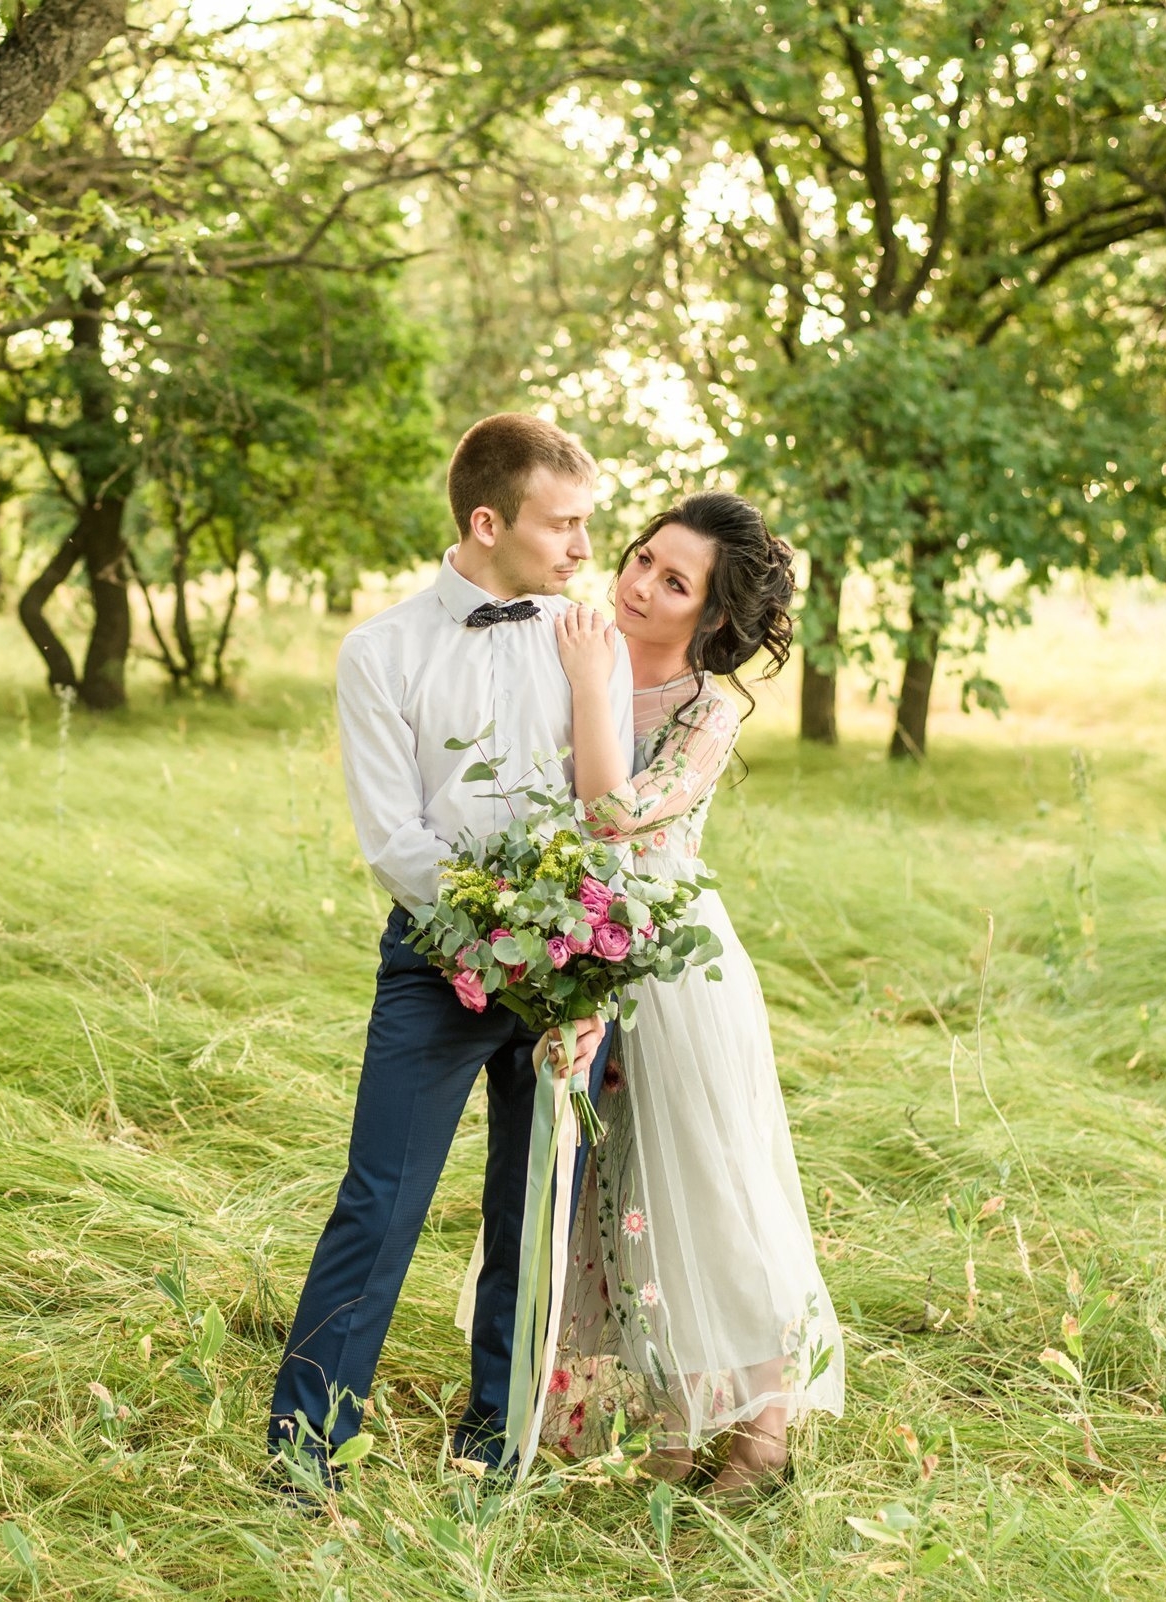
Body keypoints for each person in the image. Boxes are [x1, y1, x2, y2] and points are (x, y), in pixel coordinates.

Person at [268, 414, 632, 1481]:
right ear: (486, 521)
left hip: (573, 968)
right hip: (437, 964)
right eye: (561, 525)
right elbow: (395, 839)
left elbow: (601, 807)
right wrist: (499, 939)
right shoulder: (379, 653)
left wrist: (570, 960)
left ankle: (498, 1442)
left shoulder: (589, 638)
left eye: (585, 524)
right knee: (379, 1203)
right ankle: (305, 1449)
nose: (580, 549)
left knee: (535, 1210)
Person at [540, 490, 846, 1503]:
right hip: (580, 954)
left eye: (673, 582)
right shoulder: (567, 650)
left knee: (705, 1194)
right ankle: (674, 1424)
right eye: (639, 559)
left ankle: (761, 1436)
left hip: (677, 970)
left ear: (712, 619)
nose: (634, 585)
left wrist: (593, 681)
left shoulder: (706, 710)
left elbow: (614, 813)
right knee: (618, 1198)